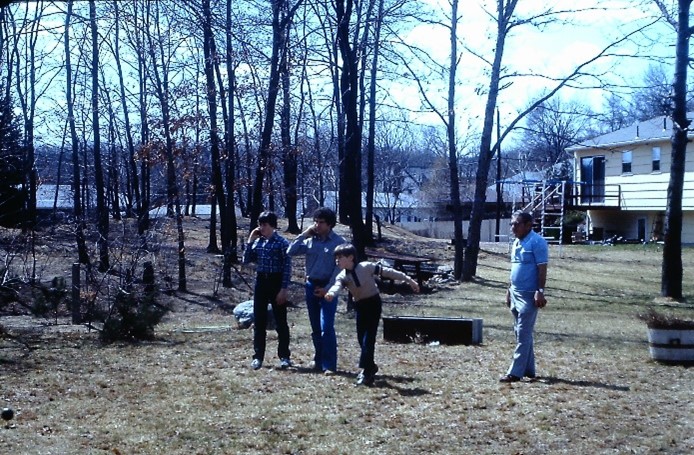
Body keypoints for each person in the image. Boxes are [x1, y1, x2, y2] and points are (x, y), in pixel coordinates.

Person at [325, 243, 420, 386]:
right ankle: (371, 367)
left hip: (373, 304)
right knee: (360, 338)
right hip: (360, 306)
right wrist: (331, 293)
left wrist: (409, 280)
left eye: (340, 257)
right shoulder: (342, 276)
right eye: (336, 258)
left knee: (368, 339)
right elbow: (336, 286)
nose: (337, 261)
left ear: (350, 257)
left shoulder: (365, 267)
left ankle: (366, 372)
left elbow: (388, 272)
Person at [287, 207, 345, 375]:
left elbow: (339, 270)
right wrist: (304, 234)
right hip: (311, 286)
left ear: (330, 224)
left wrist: (327, 288)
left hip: (328, 287)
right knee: (315, 327)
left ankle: (330, 364)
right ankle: (318, 358)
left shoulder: (338, 243)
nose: (317, 225)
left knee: (326, 326)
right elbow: (290, 252)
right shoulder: (310, 240)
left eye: (321, 223)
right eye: (316, 222)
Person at [500, 210, 548, 383]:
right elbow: (514, 269)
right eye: (512, 224)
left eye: (517, 224)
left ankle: (515, 372)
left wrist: (540, 291)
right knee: (520, 332)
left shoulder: (538, 242)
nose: (513, 227)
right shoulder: (516, 243)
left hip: (529, 295)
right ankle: (529, 369)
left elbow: (542, 269)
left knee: (523, 332)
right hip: (515, 292)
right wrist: (509, 290)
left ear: (528, 225)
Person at [243, 211, 292, 371]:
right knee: (259, 321)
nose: (261, 228)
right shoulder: (259, 242)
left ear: (272, 225)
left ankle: (284, 356)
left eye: (264, 225)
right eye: (260, 224)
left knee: (281, 322)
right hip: (261, 282)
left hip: (276, 281)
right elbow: (246, 260)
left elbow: (287, 268)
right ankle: (258, 357)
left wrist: (284, 289)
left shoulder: (282, 243)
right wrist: (250, 241)